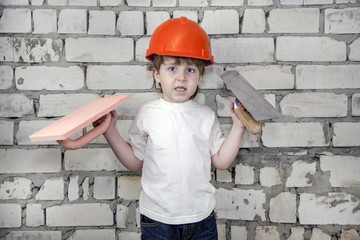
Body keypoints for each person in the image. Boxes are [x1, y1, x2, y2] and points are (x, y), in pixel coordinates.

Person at [97, 17, 246, 240]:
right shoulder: (147, 113)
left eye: (190, 70)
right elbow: (135, 162)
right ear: (157, 74)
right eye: (172, 68)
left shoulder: (205, 116)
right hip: (158, 220)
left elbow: (221, 162)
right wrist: (109, 131)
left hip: (201, 220)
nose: (181, 77)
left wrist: (238, 126)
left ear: (201, 77)